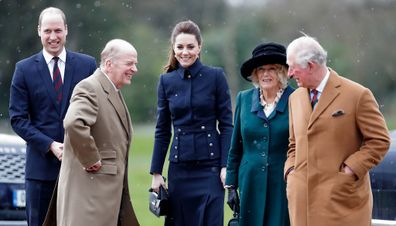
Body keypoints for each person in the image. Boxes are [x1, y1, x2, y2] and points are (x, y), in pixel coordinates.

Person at [284, 35, 391, 226]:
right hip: (301, 204)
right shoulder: (295, 98)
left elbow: (380, 141)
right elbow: (293, 143)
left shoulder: (357, 95)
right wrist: (291, 171)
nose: (289, 73)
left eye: (293, 67)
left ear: (310, 65)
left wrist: (350, 170)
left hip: (341, 204)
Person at [8, 7, 96, 226]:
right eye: (47, 31)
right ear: (39, 31)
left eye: (58, 30)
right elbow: (18, 119)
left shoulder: (87, 66)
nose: (53, 37)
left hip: (80, 169)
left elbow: (97, 113)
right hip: (40, 171)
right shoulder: (24, 69)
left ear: (66, 30)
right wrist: (49, 145)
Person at [42, 39, 140, 226]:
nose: (134, 69)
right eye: (129, 63)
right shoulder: (90, 87)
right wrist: (90, 158)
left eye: (135, 63)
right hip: (90, 198)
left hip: (103, 197)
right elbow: (73, 122)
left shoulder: (111, 89)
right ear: (109, 64)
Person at [150, 20, 233, 226]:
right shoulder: (166, 81)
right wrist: (156, 173)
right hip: (180, 170)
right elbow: (162, 130)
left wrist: (225, 166)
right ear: (173, 48)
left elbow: (226, 125)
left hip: (211, 169)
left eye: (190, 46)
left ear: (199, 47)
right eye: (180, 47)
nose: (184, 52)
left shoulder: (215, 77)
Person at [225, 42, 293, 226]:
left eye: (272, 69)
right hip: (250, 182)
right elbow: (235, 146)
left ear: (282, 72)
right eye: (261, 69)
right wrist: (231, 185)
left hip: (283, 183)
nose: (265, 74)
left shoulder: (296, 99)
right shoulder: (244, 99)